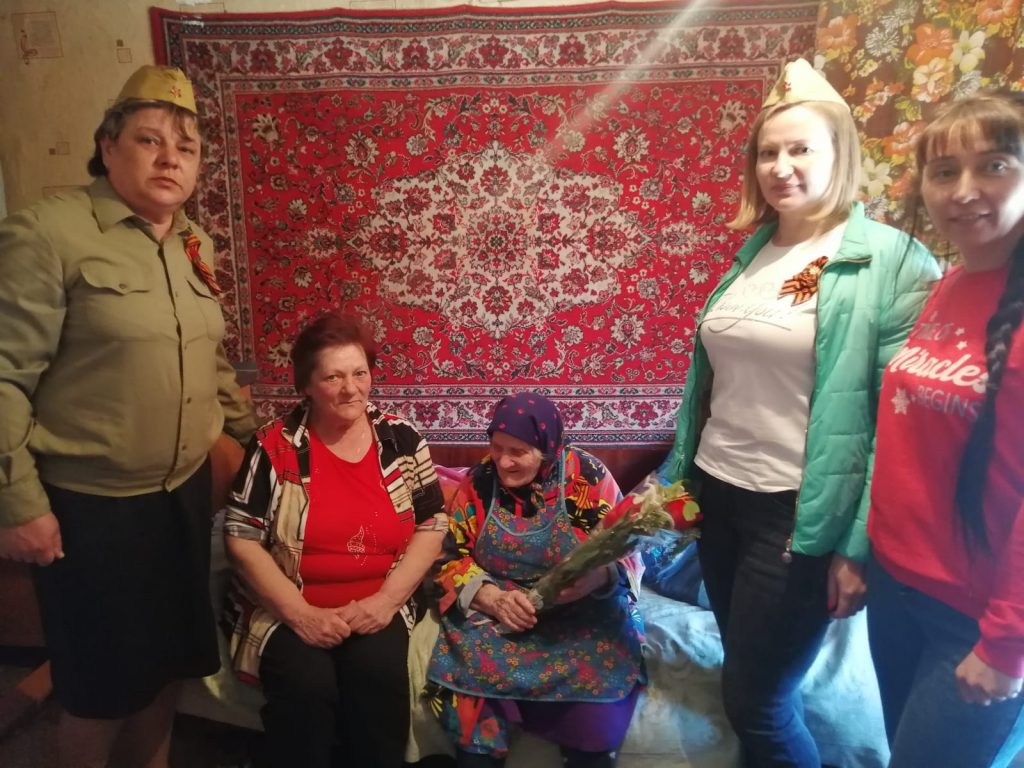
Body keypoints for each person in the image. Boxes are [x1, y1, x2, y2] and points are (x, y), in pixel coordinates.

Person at [646, 59, 939, 767]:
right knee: (746, 675)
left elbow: (902, 427)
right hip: (720, 497)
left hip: (796, 515)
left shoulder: (894, 261)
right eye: (767, 152)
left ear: (840, 153)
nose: (780, 167)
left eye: (801, 148)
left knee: (758, 703)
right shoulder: (757, 252)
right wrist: (682, 483)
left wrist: (857, 549)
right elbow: (716, 386)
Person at [0, 65, 256, 768]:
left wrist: (259, 444)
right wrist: (18, 503)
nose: (170, 158)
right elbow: (4, 377)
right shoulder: (47, 233)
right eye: (149, 139)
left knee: (167, 670)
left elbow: (212, 364)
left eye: (186, 147)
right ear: (107, 146)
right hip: (91, 510)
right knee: (100, 691)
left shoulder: (192, 243)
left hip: (182, 499)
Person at [867, 90, 1024, 767]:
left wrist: (1008, 645)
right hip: (897, 587)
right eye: (943, 171)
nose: (964, 191)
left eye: (994, 166)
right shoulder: (950, 283)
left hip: (976, 618)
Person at [222, 311, 448, 768]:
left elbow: (433, 524)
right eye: (333, 377)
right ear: (306, 385)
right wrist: (301, 615)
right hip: (293, 602)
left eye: (359, 373)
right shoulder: (273, 445)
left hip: (377, 600)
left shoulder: (401, 438)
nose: (351, 389)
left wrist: (385, 602)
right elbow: (241, 537)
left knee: (377, 678)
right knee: (305, 688)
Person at [426, 392, 644, 768]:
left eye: (517, 452)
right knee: (473, 719)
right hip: (500, 614)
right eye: (496, 447)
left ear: (546, 449)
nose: (503, 462)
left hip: (579, 615)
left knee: (593, 729)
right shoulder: (479, 482)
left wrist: (597, 577)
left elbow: (628, 549)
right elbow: (448, 558)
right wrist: (490, 597)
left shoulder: (587, 476)